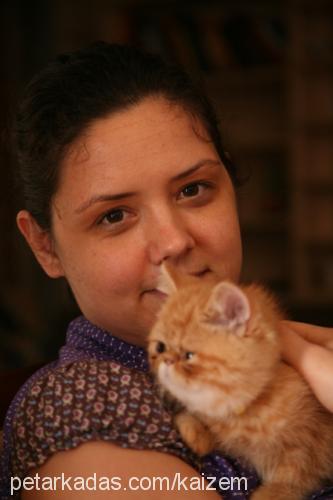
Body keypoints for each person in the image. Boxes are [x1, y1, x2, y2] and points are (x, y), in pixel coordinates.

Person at [0, 42, 332, 499]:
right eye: (114, 216)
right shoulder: (87, 405)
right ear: (44, 246)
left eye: (194, 188)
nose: (174, 240)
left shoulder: (291, 358)